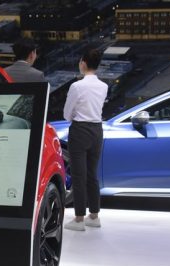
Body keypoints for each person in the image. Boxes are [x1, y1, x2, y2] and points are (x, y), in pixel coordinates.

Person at [63, 48, 107, 231]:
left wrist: (73, 116)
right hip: (97, 130)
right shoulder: (103, 86)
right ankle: (94, 216)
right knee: (92, 174)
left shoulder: (77, 86)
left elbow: (67, 114)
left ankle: (79, 219)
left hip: (80, 130)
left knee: (79, 175)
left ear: (83, 63)